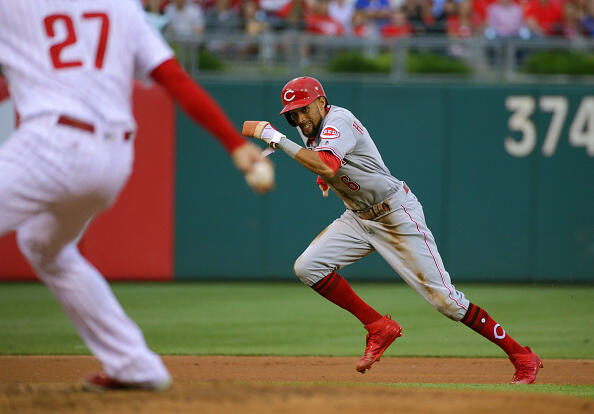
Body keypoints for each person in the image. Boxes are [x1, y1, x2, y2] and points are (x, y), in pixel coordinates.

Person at [0, 0, 272, 391]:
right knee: (46, 248)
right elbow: (174, 78)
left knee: (46, 249)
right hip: (113, 157)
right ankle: (135, 365)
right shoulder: (121, 7)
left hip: (48, 144)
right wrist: (232, 143)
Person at [243, 76, 542, 384]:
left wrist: (274, 136)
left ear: (321, 102)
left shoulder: (338, 121)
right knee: (308, 267)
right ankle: (378, 326)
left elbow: (327, 163)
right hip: (358, 218)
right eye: (293, 113)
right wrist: (325, 177)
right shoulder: (308, 129)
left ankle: (522, 356)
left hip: (395, 214)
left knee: (446, 302)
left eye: (304, 109)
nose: (299, 118)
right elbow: (334, 166)